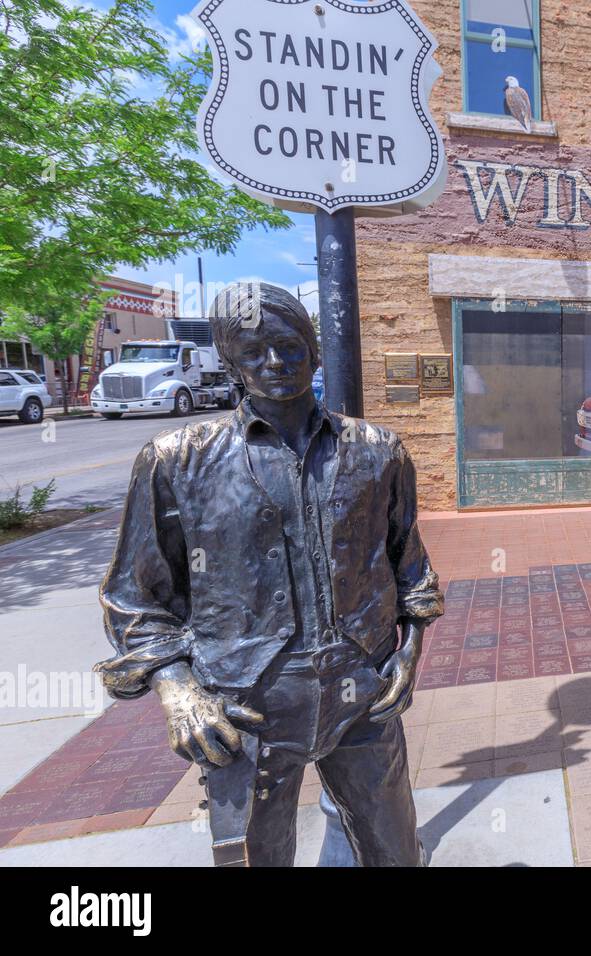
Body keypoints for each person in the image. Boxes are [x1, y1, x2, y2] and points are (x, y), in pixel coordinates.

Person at [95, 282, 443, 867]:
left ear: (314, 350)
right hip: (243, 707)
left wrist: (407, 660)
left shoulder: (380, 452)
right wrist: (178, 691)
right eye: (253, 351)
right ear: (228, 362)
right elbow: (132, 599)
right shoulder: (176, 458)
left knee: (396, 853)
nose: (275, 363)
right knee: (254, 860)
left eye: (287, 345)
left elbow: (410, 570)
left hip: (363, 694)